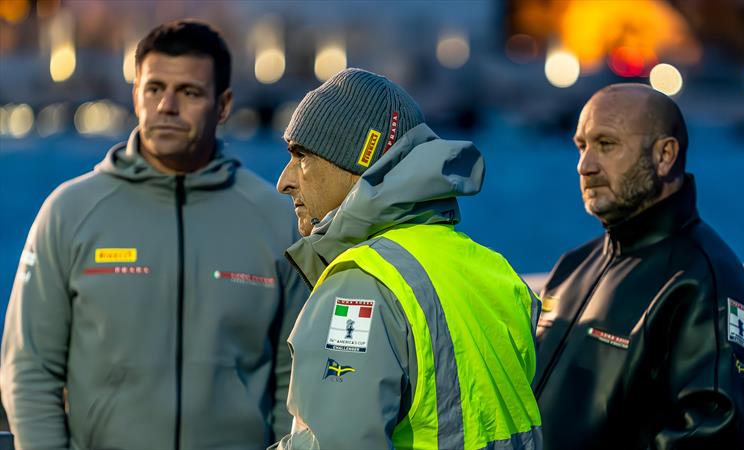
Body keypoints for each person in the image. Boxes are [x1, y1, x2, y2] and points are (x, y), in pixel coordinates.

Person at [1, 20, 307, 450]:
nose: (167, 106)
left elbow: (293, 378)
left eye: (189, 92)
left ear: (222, 105)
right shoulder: (70, 212)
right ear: (136, 94)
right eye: (154, 88)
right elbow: (29, 368)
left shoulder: (275, 221)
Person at [273, 68, 542, 449]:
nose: (284, 180)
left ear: (360, 164)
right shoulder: (491, 268)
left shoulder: (361, 285)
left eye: (301, 156)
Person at [533, 83, 744, 449]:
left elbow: (708, 434)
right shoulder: (571, 268)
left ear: (664, 155)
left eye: (606, 144)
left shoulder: (706, 282)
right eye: (582, 146)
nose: (585, 166)